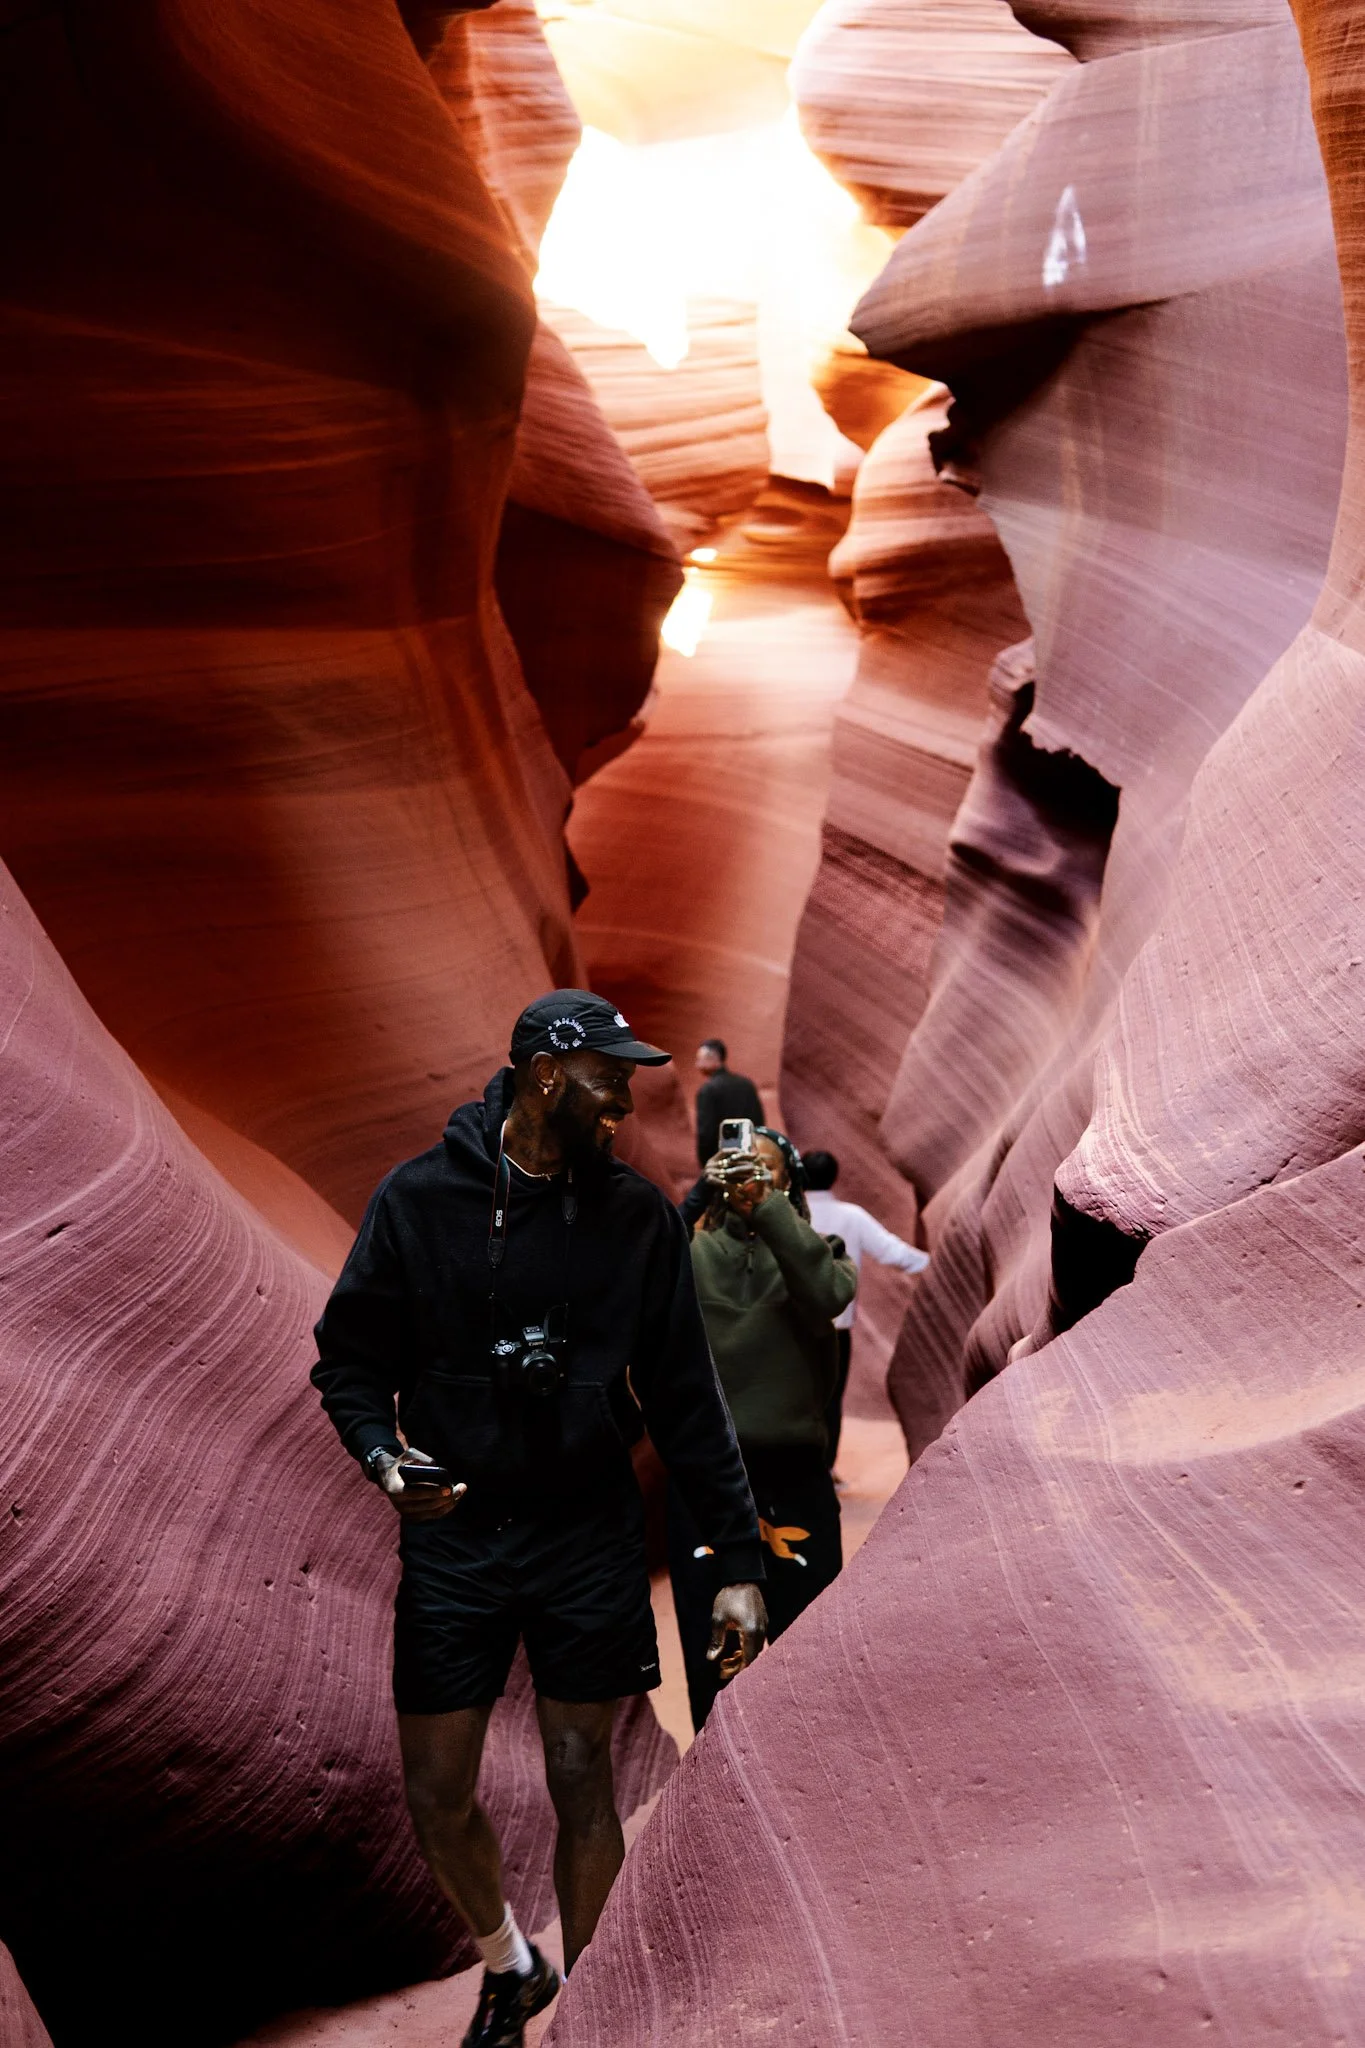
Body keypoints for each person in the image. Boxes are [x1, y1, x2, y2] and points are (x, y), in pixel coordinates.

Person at [311, 991, 767, 2048]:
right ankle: (512, 1964)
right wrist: (384, 1460)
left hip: (585, 1532)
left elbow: (687, 1397)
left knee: (579, 1765)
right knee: (437, 1791)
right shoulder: (418, 1200)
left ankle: (595, 2015)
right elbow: (349, 1359)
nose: (626, 1099)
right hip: (457, 1536)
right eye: (611, 1078)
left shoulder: (636, 1215)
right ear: (549, 1075)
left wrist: (738, 1554)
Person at [667, 1127, 855, 1731]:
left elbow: (828, 1293)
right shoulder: (689, 1258)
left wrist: (771, 1208)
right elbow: (640, 1265)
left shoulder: (822, 1250)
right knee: (716, 1662)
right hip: (708, 1487)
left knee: (811, 1659)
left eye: (767, 1171)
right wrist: (699, 1195)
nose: (751, 1182)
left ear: (789, 1186)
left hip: (796, 1477)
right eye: (739, 1170)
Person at [802, 1149, 930, 1469]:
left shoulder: (790, 1215)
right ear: (834, 1177)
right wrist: (935, 1262)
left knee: (797, 1395)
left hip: (793, 1327)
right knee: (831, 1401)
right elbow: (891, 1252)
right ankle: (825, 1469)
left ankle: (798, 1467)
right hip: (836, 1330)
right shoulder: (851, 1216)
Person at [678, 1038, 765, 1231]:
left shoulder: (708, 1090)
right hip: (749, 1160)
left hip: (721, 1164)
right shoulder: (746, 1085)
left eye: (700, 1059)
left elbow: (706, 1133)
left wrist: (707, 1166)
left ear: (714, 1059)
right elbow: (759, 1123)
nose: (696, 1064)